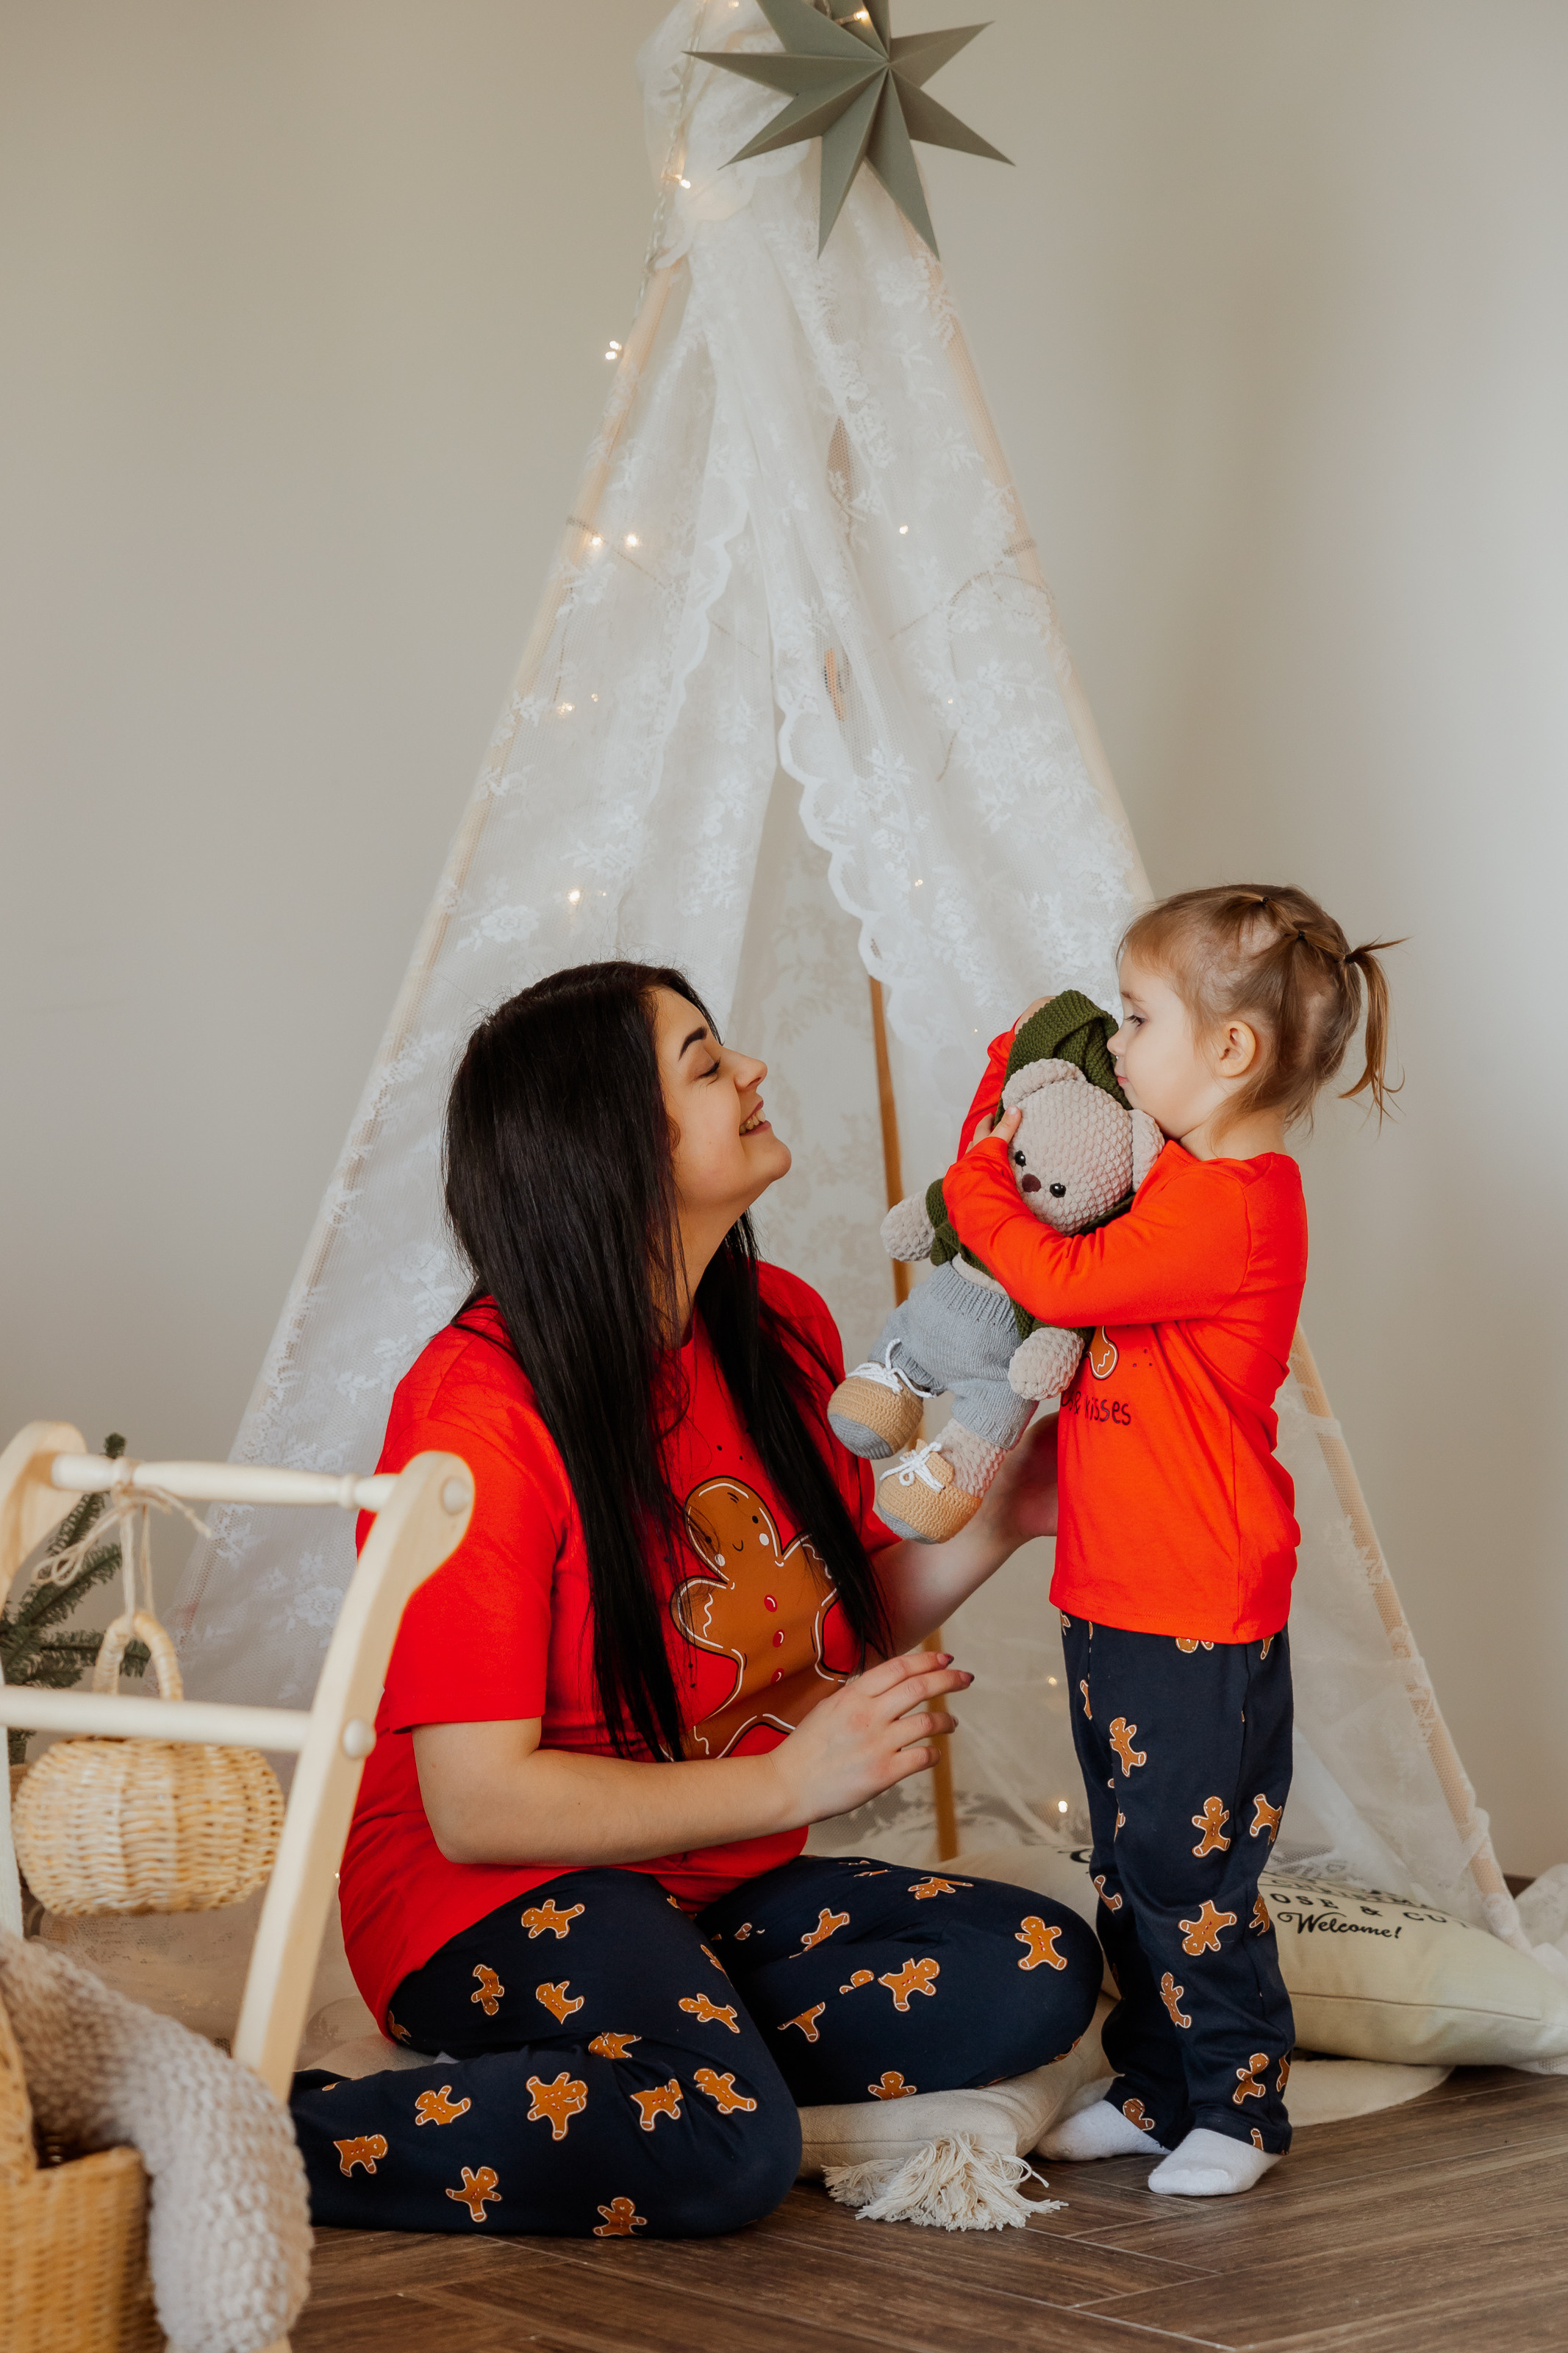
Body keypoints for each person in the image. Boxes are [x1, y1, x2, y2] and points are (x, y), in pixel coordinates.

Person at [290, 960, 1101, 2239]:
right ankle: (265, 2132)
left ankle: (651, 2054)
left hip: (706, 1881)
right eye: (706, 1064)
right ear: (611, 1140)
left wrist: (1003, 1512)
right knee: (726, 2152)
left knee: (1035, 1971)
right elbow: (474, 1803)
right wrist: (787, 1786)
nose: (752, 1071)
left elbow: (815, 1640)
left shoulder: (778, 1326)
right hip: (491, 1893)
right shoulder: (475, 1419)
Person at [940, 886, 1397, 2199]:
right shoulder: (1177, 1182)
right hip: (1117, 1580)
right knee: (1130, 1857)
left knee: (1188, 1867)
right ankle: (1154, 2085)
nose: (1118, 1046)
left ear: (1231, 1051)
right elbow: (1073, 1222)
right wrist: (1016, 1076)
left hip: (1194, 1593)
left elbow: (1056, 1276)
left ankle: (1239, 2106)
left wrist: (977, 1176)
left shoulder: (1234, 1205)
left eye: (1137, 1019)